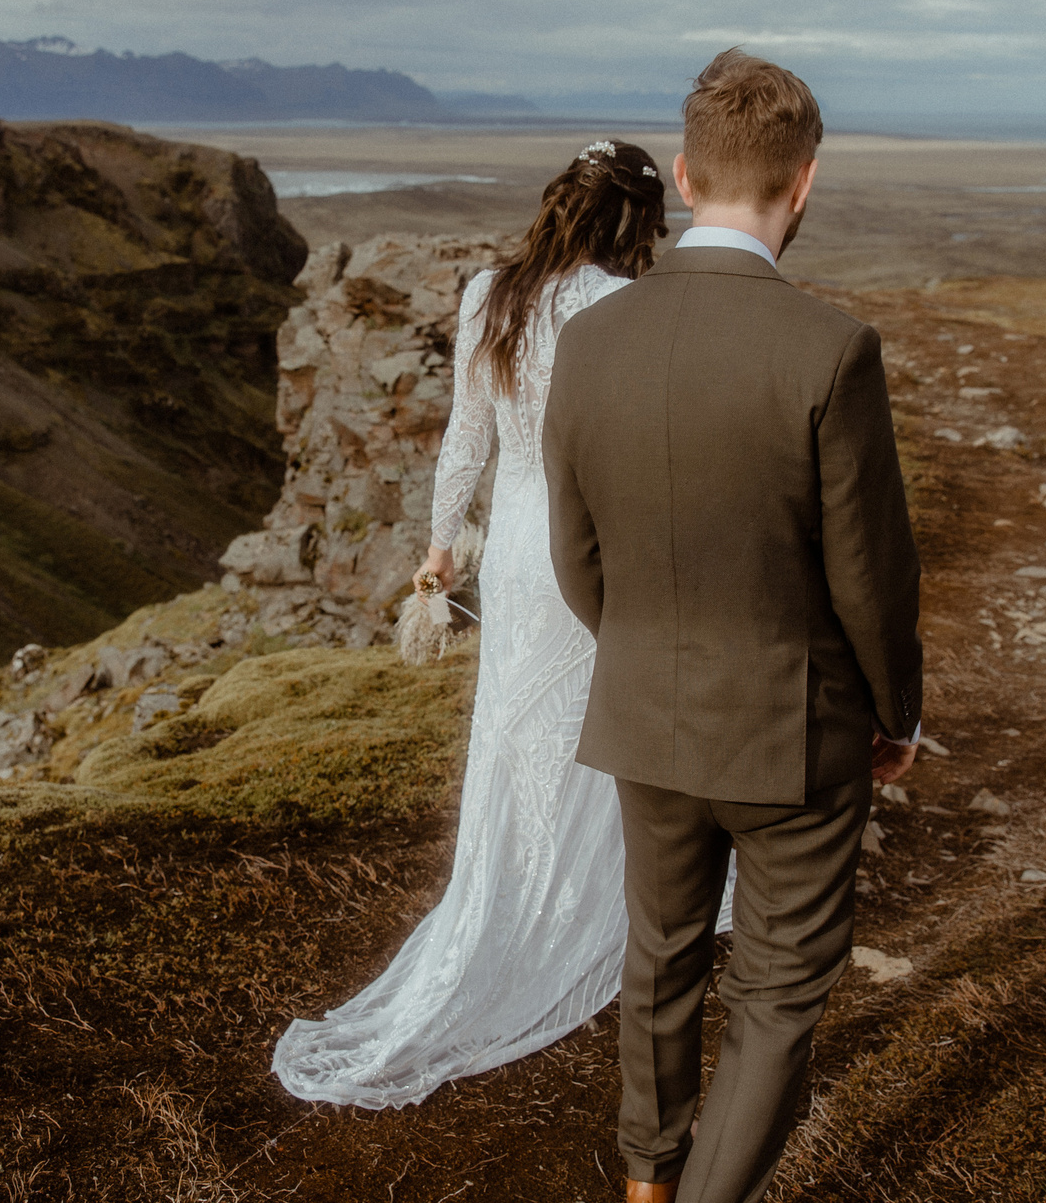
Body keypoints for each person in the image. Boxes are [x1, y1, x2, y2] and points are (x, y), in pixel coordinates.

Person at [543, 49, 924, 1203]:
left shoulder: (589, 340)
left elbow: (576, 559)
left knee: (660, 943)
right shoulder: (830, 349)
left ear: (689, 173)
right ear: (804, 184)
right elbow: (871, 577)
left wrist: (647, 658)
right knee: (774, 995)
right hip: (793, 732)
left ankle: (654, 1172)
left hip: (644, 712)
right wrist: (899, 714)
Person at [270, 139, 727, 1107]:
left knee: (518, 736)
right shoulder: (625, 305)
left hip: (518, 559)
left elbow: (463, 441)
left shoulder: (491, 293)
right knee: (600, 729)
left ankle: (516, 902)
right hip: (598, 548)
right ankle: (592, 910)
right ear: (635, 221)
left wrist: (440, 551)